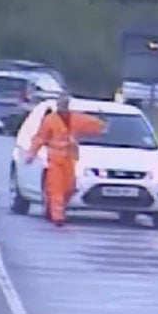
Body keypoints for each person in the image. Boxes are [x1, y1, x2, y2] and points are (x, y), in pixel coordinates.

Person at [26, 94, 105, 226]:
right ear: (57, 105)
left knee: (69, 187)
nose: (64, 106)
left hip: (70, 159)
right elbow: (40, 138)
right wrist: (31, 153)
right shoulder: (50, 120)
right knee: (56, 188)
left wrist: (101, 123)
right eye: (62, 104)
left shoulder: (75, 118)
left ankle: (60, 208)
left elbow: (90, 124)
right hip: (55, 160)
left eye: (66, 104)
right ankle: (58, 217)